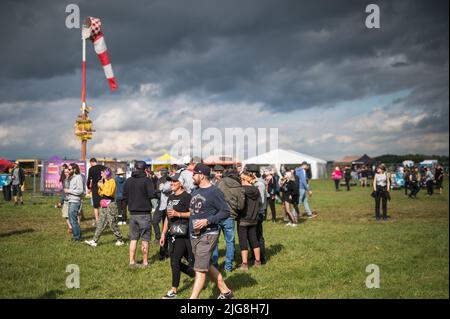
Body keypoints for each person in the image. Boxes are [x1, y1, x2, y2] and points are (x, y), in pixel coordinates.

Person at [188, 163, 233, 299]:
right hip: (194, 235)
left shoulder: (215, 192)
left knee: (200, 271)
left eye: (194, 174)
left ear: (201, 175)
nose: (192, 176)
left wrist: (207, 221)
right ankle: (226, 293)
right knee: (205, 265)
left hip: (208, 235)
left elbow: (226, 211)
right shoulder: (195, 191)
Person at [160, 173, 195, 299]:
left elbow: (193, 214)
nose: (172, 184)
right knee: (175, 261)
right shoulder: (170, 198)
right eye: (171, 182)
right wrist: (163, 233)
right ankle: (174, 290)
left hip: (187, 234)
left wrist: (178, 214)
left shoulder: (187, 197)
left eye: (174, 181)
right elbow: (167, 218)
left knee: (193, 261)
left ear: (181, 183)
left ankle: (197, 275)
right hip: (175, 234)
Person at [123, 161, 156, 268]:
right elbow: (152, 194)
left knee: (133, 239)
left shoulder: (128, 181)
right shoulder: (147, 180)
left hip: (132, 213)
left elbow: (125, 196)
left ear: (135, 168)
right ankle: (145, 263)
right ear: (145, 169)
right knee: (145, 239)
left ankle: (131, 262)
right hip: (144, 213)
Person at [213, 168, 246, 272]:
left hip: (217, 215)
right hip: (230, 216)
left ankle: (214, 267)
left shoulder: (219, 183)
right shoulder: (238, 185)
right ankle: (228, 267)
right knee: (230, 242)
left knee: (214, 242)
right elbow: (241, 206)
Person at [85, 168, 124, 247]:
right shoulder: (104, 181)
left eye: (102, 173)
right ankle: (94, 240)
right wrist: (101, 186)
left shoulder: (112, 181)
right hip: (104, 203)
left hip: (111, 205)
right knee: (100, 222)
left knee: (112, 223)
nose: (101, 174)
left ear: (107, 173)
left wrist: (101, 186)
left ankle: (120, 239)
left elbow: (109, 193)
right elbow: (100, 193)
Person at [235, 169, 262, 271]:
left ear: (243, 179)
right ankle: (257, 261)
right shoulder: (256, 189)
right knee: (254, 239)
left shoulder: (242, 190)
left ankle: (245, 264)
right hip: (254, 218)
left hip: (243, 219)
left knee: (243, 241)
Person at [155, 168, 172, 260]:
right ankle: (164, 252)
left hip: (166, 206)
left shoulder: (164, 181)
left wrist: (162, 187)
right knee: (166, 230)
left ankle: (164, 252)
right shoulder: (167, 180)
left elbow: (163, 188)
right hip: (166, 207)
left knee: (166, 230)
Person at [65, 163, 84, 241]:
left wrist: (69, 190)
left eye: (70, 169)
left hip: (75, 201)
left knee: (73, 219)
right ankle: (77, 235)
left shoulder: (78, 177)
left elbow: (80, 191)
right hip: (71, 200)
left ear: (74, 169)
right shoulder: (72, 177)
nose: (68, 170)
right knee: (71, 219)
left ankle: (77, 237)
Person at [87, 158, 106, 225]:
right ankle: (102, 220)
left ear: (92, 162)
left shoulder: (91, 169)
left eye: (90, 163)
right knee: (102, 204)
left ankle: (97, 221)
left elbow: (89, 179)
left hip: (95, 188)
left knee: (95, 206)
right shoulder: (103, 167)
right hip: (102, 187)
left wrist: (88, 187)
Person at [61, 167, 74, 233]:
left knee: (73, 215)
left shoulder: (73, 179)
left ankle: (75, 227)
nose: (66, 173)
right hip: (66, 199)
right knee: (66, 214)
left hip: (72, 199)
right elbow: (63, 191)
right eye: (65, 172)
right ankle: (70, 227)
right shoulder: (64, 180)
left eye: (67, 172)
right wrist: (61, 200)